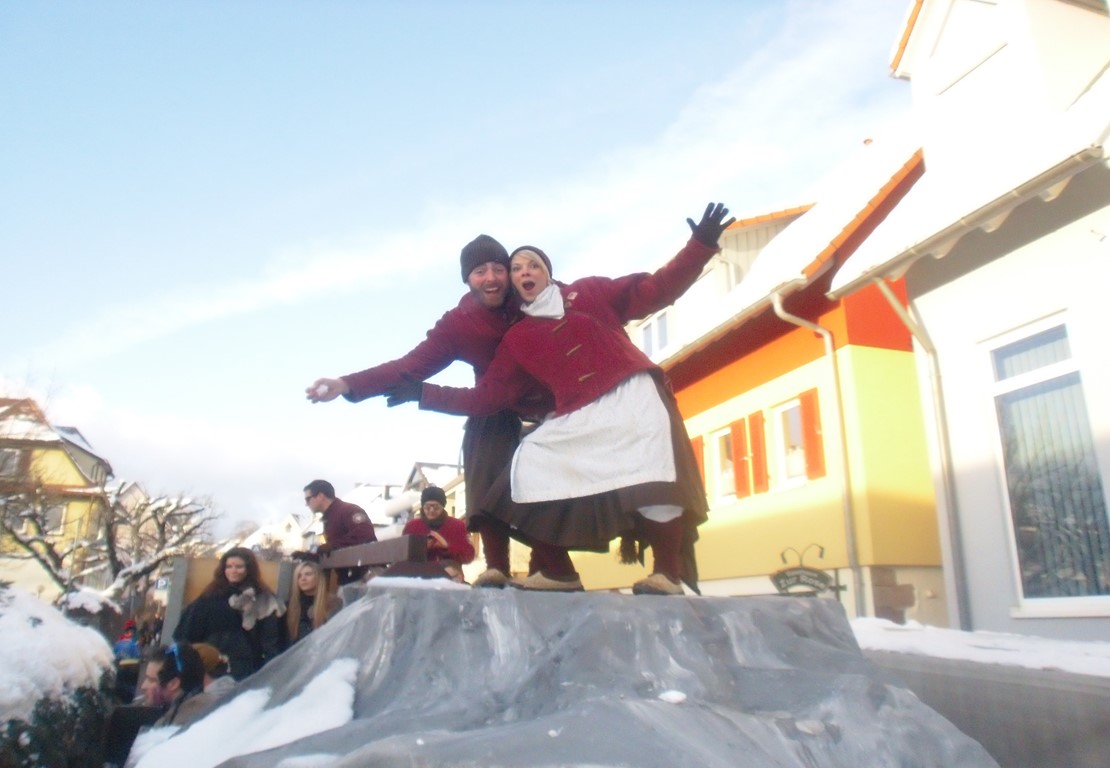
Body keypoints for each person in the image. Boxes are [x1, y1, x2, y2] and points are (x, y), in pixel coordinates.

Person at [388, 203, 735, 596]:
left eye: (532, 265)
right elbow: (488, 396)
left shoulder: (589, 293)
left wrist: (700, 245)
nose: (525, 272)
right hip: (579, 411)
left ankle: (667, 574)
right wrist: (424, 392)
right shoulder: (519, 338)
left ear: (547, 272)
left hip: (632, 395)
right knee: (530, 464)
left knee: (653, 479)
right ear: (513, 284)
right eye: (517, 269)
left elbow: (656, 289)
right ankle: (558, 571)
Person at [305, 235, 552, 589]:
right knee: (484, 451)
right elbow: (409, 365)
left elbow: (585, 303)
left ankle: (550, 564)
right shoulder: (461, 324)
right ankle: (497, 564)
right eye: (480, 271)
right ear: (467, 279)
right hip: (495, 404)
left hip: (551, 399)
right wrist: (347, 384)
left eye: (499, 269)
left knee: (549, 476)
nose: (492, 278)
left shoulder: (532, 295)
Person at [173, 547, 286, 680]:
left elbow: (271, 641)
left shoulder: (264, 599)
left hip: (249, 671)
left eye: (239, 567)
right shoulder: (209, 598)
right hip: (212, 670)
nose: (233, 571)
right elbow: (185, 634)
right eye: (229, 566)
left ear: (249, 569)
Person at [102, 643, 206, 767]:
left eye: (151, 680)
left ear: (173, 684)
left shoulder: (186, 726)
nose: (143, 686)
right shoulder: (178, 711)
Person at [303, 479, 377, 584]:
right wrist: (311, 555)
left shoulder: (349, 510)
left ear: (320, 496)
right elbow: (334, 548)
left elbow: (364, 535)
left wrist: (332, 546)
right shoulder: (330, 517)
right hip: (351, 578)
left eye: (308, 499)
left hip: (365, 578)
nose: (306, 504)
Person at [402, 486, 477, 566]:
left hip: (449, 572)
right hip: (418, 571)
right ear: (422, 507)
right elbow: (401, 555)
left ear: (443, 506)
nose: (431, 510)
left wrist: (446, 547)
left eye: (436, 507)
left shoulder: (457, 526)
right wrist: (421, 548)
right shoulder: (412, 527)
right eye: (427, 507)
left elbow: (469, 556)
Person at [286, 560, 343, 644]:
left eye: (308, 574)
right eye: (299, 576)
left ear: (319, 577)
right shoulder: (290, 606)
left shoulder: (334, 603)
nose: (303, 579)